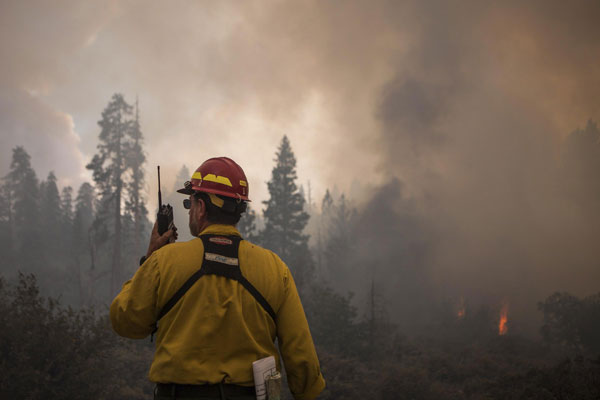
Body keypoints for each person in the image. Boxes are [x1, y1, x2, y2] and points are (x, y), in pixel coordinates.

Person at [110, 157, 325, 400]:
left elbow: (125, 320)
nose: (190, 210)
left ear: (201, 208)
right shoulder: (275, 269)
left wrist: (150, 257)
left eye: (189, 203)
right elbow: (301, 357)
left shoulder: (164, 262)